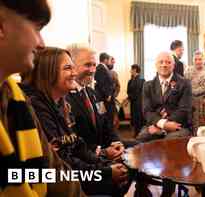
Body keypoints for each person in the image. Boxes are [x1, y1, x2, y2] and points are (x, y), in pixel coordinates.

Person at [0, 1, 84, 196]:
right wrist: (103, 173)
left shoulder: (15, 96)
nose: (41, 43)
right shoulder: (31, 100)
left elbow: (53, 170)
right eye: (37, 28)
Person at [22, 47, 130, 196]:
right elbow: (59, 165)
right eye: (68, 68)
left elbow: (78, 146)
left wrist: (104, 165)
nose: (74, 73)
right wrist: (104, 173)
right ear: (48, 73)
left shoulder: (60, 104)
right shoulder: (36, 106)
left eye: (73, 67)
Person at [65, 44, 125, 159]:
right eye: (88, 65)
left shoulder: (93, 93)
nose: (93, 70)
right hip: (87, 157)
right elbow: (73, 139)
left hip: (106, 148)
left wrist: (116, 142)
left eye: (94, 65)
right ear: (71, 65)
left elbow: (106, 123)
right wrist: (102, 152)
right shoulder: (64, 98)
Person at [136, 51, 192, 142]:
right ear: (156, 65)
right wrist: (162, 124)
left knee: (169, 141)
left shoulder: (185, 83)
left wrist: (164, 127)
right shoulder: (147, 85)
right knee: (142, 137)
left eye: (168, 62)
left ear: (173, 65)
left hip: (178, 125)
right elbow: (147, 111)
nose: (164, 65)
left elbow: (184, 110)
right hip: (155, 124)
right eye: (161, 62)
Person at [184, 50, 205, 133]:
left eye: (200, 59)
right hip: (189, 100)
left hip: (201, 101)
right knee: (189, 122)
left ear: (203, 60)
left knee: (201, 124)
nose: (198, 61)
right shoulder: (188, 70)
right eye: (196, 59)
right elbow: (185, 83)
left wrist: (191, 91)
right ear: (193, 60)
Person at [95, 52, 116, 131]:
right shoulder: (100, 68)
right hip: (104, 99)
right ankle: (108, 138)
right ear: (105, 60)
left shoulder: (103, 68)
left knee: (107, 118)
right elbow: (102, 83)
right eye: (109, 60)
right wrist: (108, 95)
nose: (109, 62)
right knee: (105, 118)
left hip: (105, 98)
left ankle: (109, 135)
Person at [126, 64, 145, 136]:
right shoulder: (130, 81)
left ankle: (140, 134)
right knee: (135, 119)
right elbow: (128, 91)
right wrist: (129, 98)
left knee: (139, 119)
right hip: (133, 102)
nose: (130, 71)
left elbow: (137, 92)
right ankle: (136, 133)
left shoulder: (141, 80)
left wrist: (129, 97)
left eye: (131, 69)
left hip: (139, 103)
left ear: (134, 70)